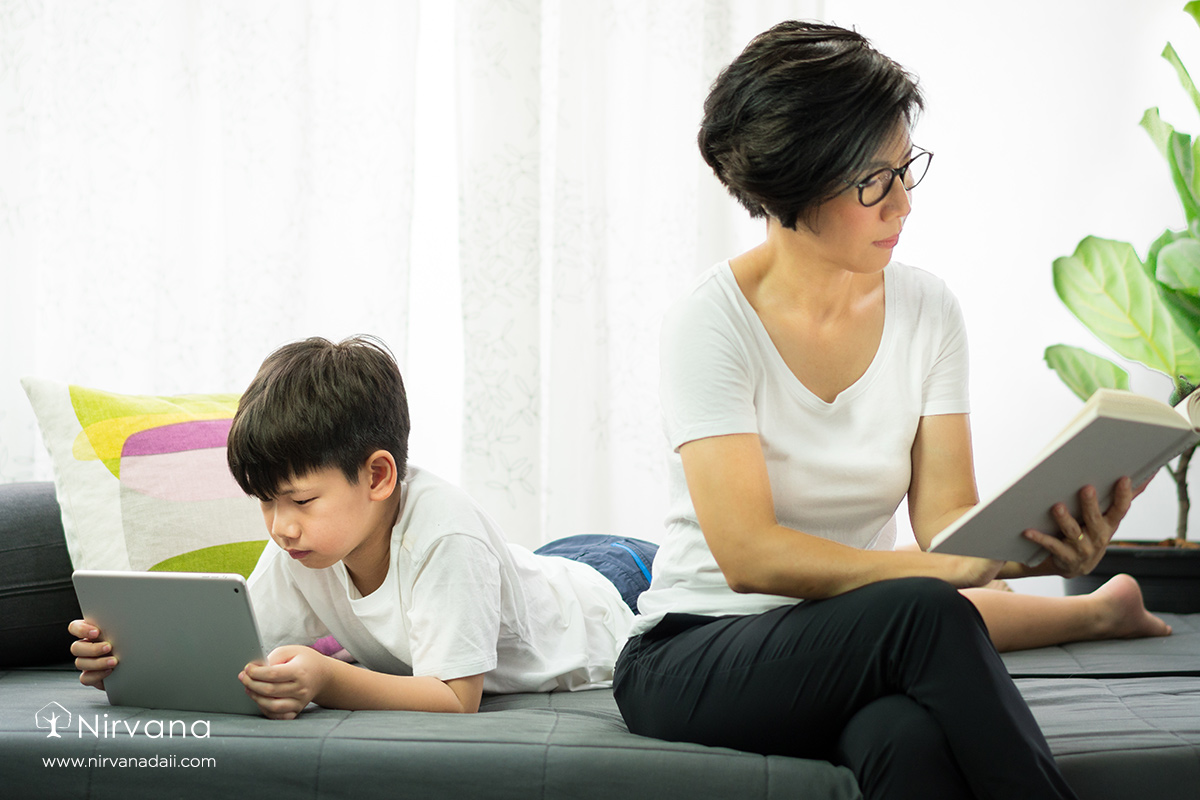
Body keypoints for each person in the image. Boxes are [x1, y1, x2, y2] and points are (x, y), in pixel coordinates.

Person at [612, 21, 1165, 800]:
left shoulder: (928, 310)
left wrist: (1043, 544)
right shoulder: (711, 323)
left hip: (849, 643)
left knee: (904, 742)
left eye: (908, 171)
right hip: (696, 652)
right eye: (875, 181)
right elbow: (750, 557)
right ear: (794, 182)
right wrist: (948, 572)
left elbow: (946, 522)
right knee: (925, 610)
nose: (903, 202)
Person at [70, 335, 657, 719]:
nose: (281, 527)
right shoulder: (300, 547)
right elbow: (245, 649)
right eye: (266, 503)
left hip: (612, 585)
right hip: (531, 570)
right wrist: (132, 662)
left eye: (300, 500)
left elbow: (456, 700)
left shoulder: (444, 535)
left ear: (378, 475)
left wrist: (327, 678)